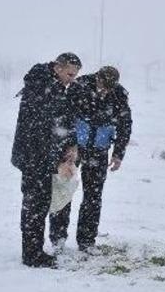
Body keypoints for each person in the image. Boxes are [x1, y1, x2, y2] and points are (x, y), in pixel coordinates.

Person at [50, 65, 132, 253]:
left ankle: (87, 241)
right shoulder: (80, 86)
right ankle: (58, 239)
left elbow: (125, 124)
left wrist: (118, 153)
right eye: (103, 85)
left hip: (99, 149)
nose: (105, 91)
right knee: (64, 191)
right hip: (73, 148)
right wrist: (66, 146)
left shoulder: (119, 94)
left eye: (110, 88)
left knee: (93, 197)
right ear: (97, 78)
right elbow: (64, 116)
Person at [11, 52, 81, 268]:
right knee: (34, 206)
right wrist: (56, 162)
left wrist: (71, 145)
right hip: (34, 157)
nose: (72, 79)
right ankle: (32, 255)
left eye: (75, 75)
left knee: (40, 205)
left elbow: (62, 122)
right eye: (70, 73)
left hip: (44, 157)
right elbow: (40, 132)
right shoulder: (41, 87)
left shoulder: (57, 87)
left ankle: (35, 250)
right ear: (58, 68)